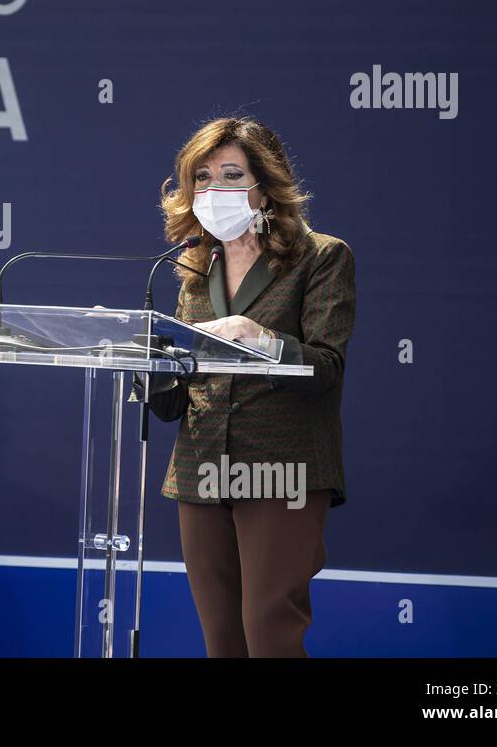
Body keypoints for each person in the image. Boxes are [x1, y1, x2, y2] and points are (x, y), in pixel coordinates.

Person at [147, 116, 356, 657]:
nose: (215, 190)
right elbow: (171, 403)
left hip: (281, 466)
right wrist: (142, 359)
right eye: (204, 177)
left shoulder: (321, 257)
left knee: (269, 631)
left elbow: (326, 368)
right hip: (200, 471)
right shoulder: (193, 266)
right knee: (222, 640)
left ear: (265, 186)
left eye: (232, 174)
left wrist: (257, 336)